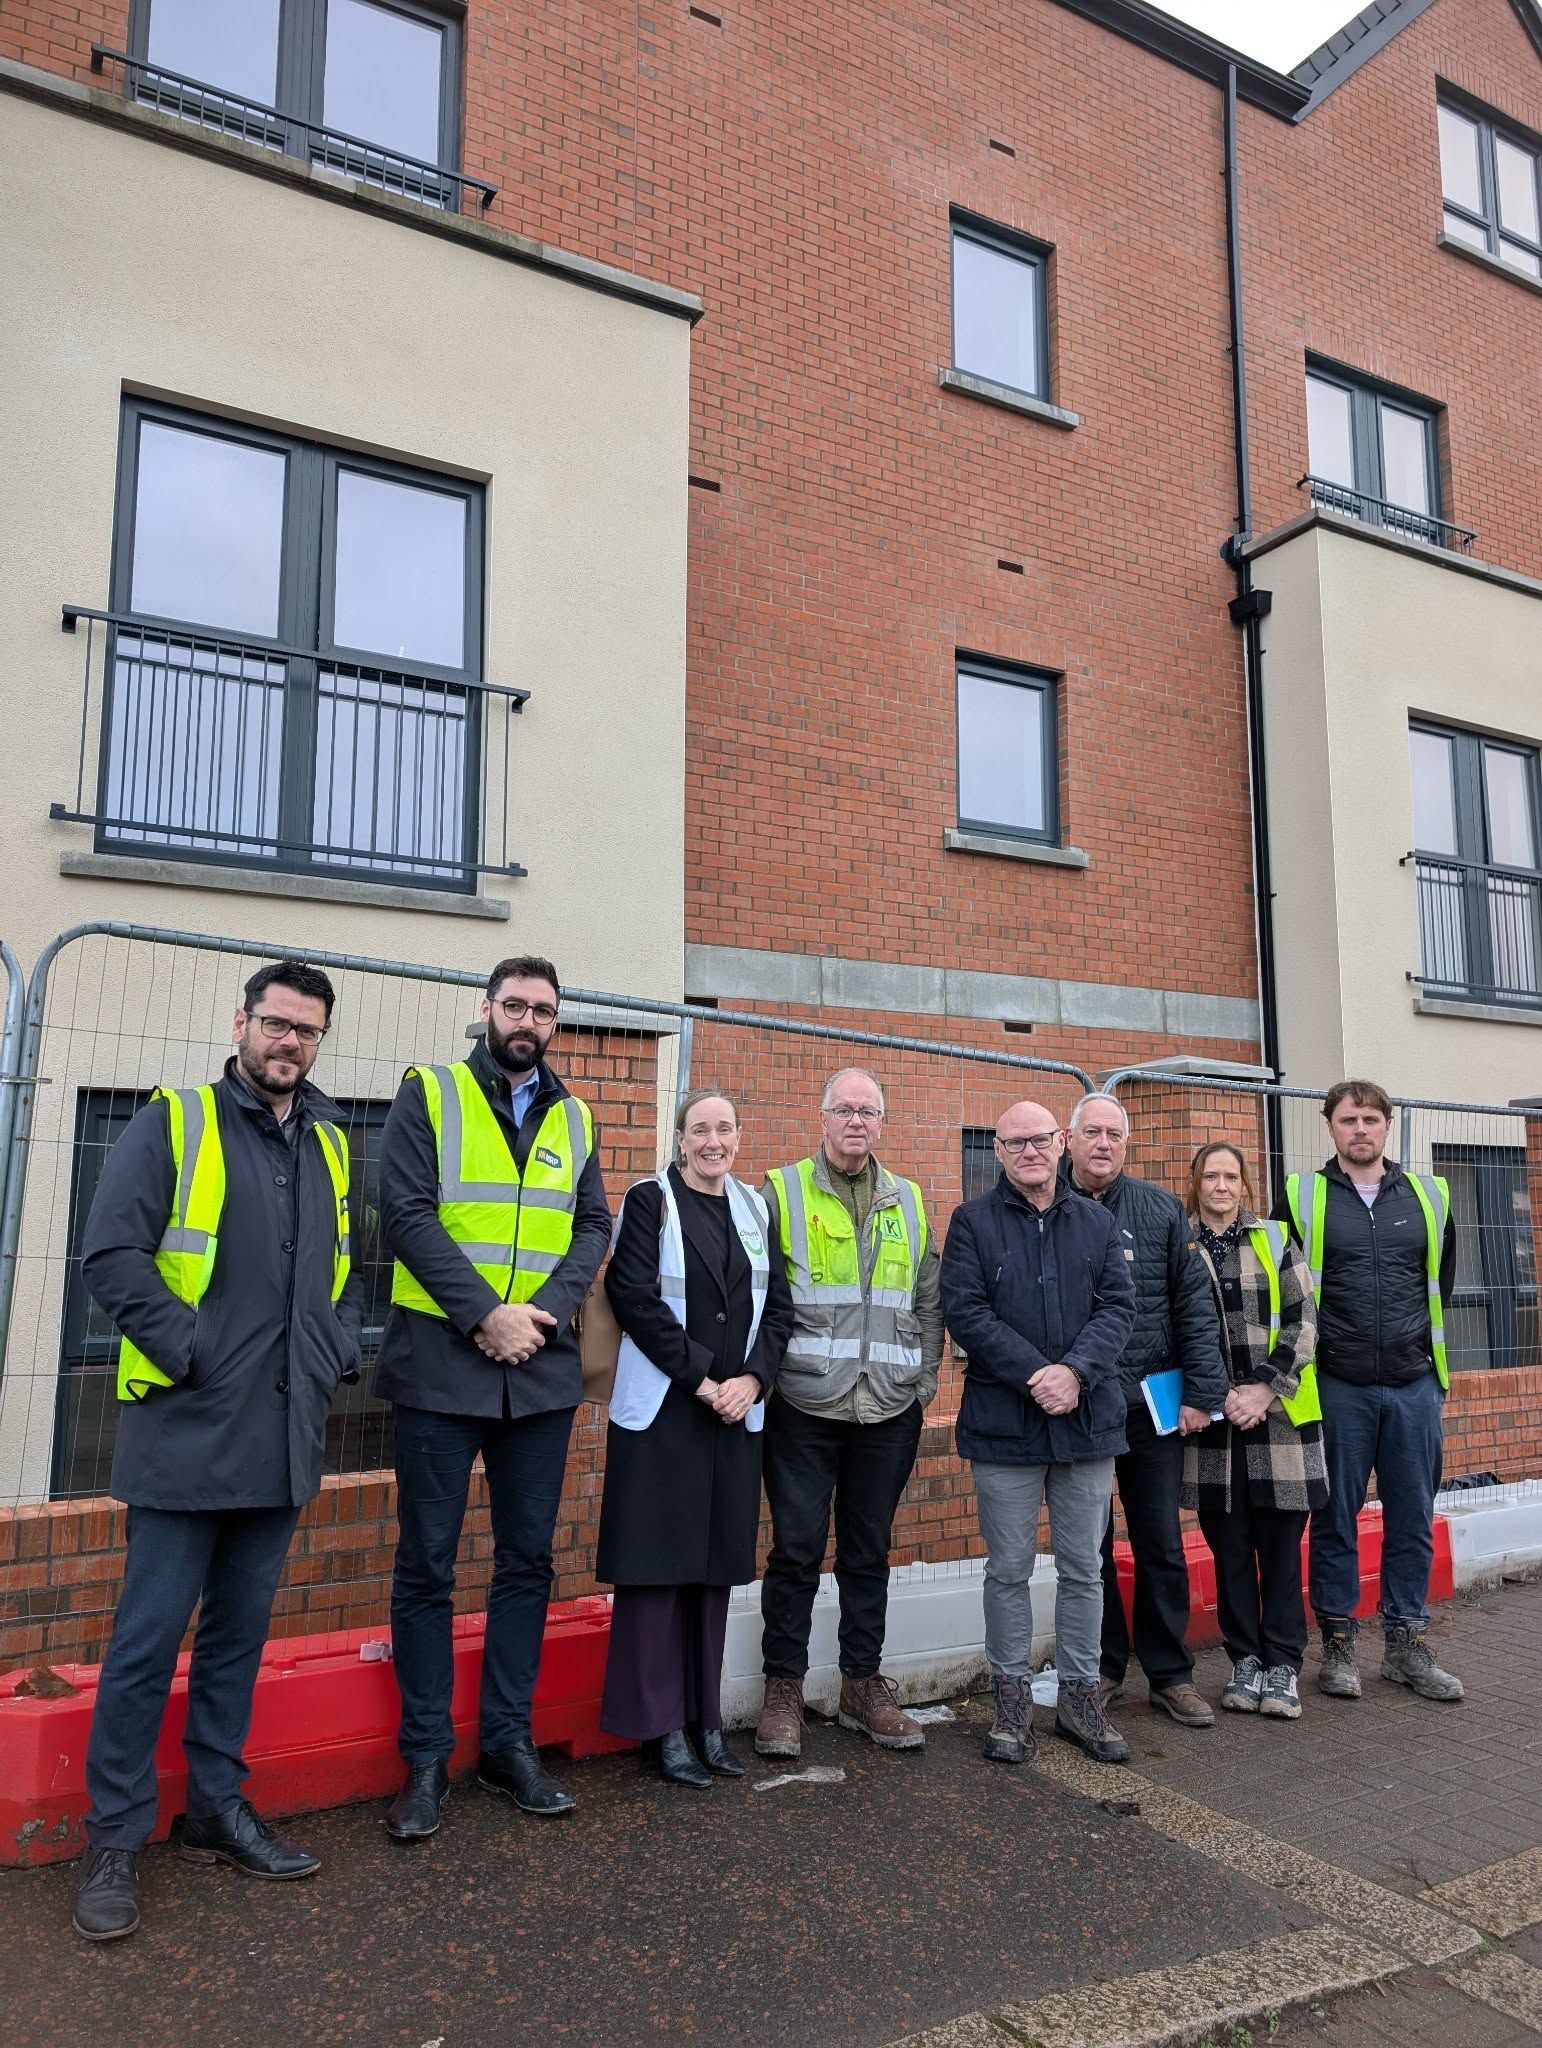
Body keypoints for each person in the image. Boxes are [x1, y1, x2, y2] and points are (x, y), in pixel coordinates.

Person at [73, 961, 360, 1942]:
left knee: (237, 1643)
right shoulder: (176, 1121)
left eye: (308, 1030)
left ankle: (214, 1808)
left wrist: (326, 1357)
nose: (290, 1042)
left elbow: (338, 1273)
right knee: (147, 1646)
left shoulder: (328, 1141)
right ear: (242, 1022)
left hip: (282, 1438)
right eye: (277, 1023)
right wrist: (190, 1348)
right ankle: (111, 1836)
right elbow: (110, 1254)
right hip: (186, 1434)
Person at [378, 955, 610, 1842]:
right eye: (514, 1004)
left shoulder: (577, 1114)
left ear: (556, 1022)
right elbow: (404, 1214)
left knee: (526, 1565)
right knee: (427, 1564)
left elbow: (592, 1226)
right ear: (486, 1009)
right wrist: (483, 1315)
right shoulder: (429, 1094)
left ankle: (509, 1743)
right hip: (443, 1364)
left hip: (539, 1371)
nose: (528, 1020)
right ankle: (426, 1758)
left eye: (544, 1010)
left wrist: (543, 1317)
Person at [597, 1090, 794, 1785]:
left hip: (736, 1413)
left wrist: (755, 1383)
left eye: (725, 1128)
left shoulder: (755, 1206)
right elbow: (634, 1298)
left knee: (713, 1575)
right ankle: (659, 1731)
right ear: (679, 1139)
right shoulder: (649, 1201)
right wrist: (708, 1379)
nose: (714, 1140)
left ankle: (705, 1722)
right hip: (668, 1409)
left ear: (739, 1137)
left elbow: (780, 1311)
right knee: (656, 1573)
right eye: (700, 1129)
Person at [754, 1067, 943, 1759]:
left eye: (868, 1111)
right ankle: (784, 1690)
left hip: (888, 1409)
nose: (856, 1121)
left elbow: (929, 1301)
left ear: (882, 1123)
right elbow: (759, 1295)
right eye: (844, 1109)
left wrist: (921, 1385)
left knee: (868, 1552)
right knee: (797, 1550)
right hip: (803, 1404)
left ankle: (862, 1684)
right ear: (823, 1116)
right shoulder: (780, 1192)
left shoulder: (911, 1200)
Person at [941, 1100, 1136, 1765]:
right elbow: (965, 1312)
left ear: (1062, 1144)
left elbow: (1119, 1308)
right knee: (1009, 1570)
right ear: (996, 1150)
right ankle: (1014, 1704)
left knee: (1085, 1568)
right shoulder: (971, 1223)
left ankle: (1081, 1699)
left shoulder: (1100, 1224)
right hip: (1005, 1427)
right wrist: (1037, 1374)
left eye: (1040, 1139)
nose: (1030, 1151)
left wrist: (1075, 1373)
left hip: (1087, 1424)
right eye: (1015, 1142)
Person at [1276, 1080, 1462, 1704]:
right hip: (1337, 1383)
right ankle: (1338, 1645)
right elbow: (1285, 1289)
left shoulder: (1430, 1195)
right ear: (1330, 1127)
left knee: (1413, 1517)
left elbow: (1443, 1282)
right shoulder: (1302, 1195)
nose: (1361, 1129)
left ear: (1388, 1125)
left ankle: (1407, 1646)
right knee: (1336, 1518)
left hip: (1413, 1382)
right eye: (1348, 1119)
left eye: (1371, 1119)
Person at [1061, 1093, 1227, 1730]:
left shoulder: (1160, 1211)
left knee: (1159, 1541)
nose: (1103, 1144)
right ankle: (1102, 1666)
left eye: (1114, 1134)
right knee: (1088, 1546)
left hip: (1149, 1405)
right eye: (1092, 1132)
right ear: (1068, 1139)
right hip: (1080, 1408)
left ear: (1125, 1146)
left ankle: (1170, 1673)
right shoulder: (1050, 1206)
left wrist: (1202, 1395)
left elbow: (1194, 1308)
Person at [1183, 1143, 1326, 1722]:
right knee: (1230, 1548)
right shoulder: (1179, 1243)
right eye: (1211, 1176)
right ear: (1196, 1184)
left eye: (1231, 1176)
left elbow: (1305, 1319)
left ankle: (1284, 1664)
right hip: (1213, 1421)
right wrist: (1216, 1394)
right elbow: (1170, 1328)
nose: (1221, 1186)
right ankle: (1244, 1658)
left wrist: (1265, 1387)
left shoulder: (1272, 1238)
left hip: (1279, 1418)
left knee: (1280, 1549)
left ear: (1245, 1184)